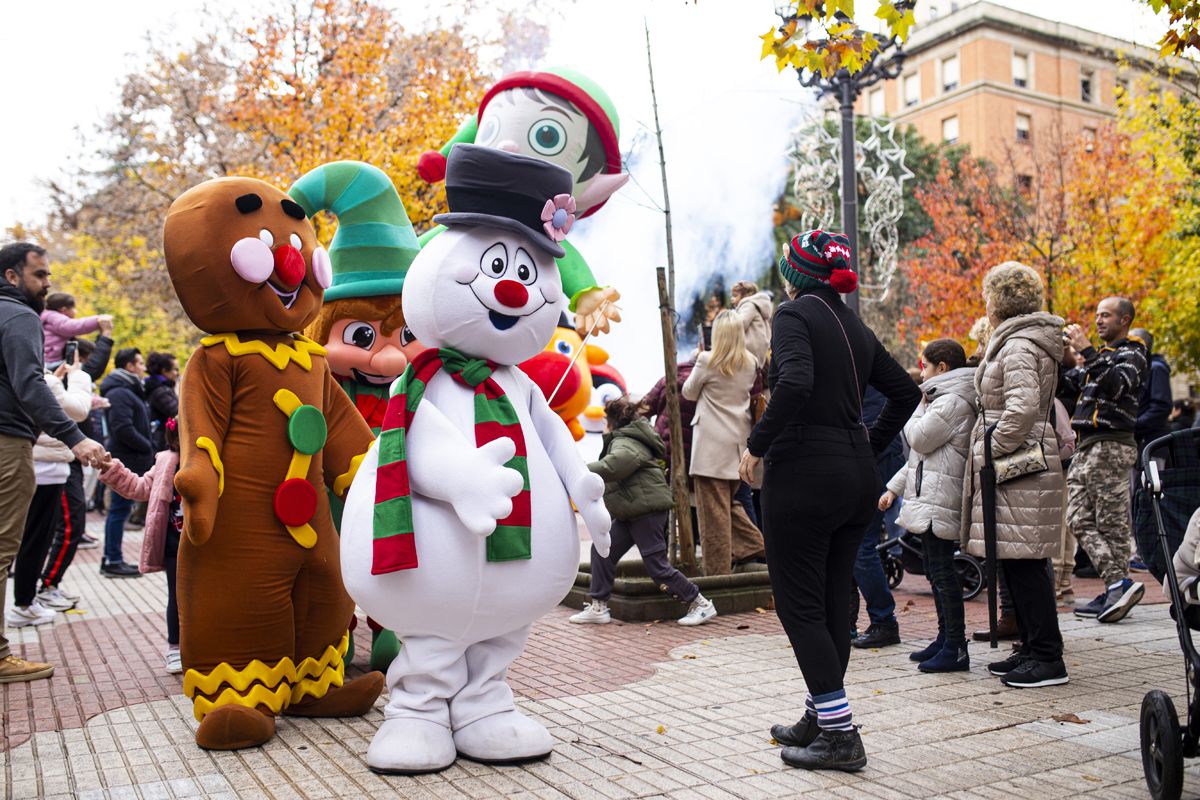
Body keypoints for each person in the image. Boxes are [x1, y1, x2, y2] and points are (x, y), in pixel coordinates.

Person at [739, 230, 919, 772]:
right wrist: (868, 442)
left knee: (801, 607)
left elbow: (794, 384)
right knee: (835, 599)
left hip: (805, 476)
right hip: (855, 476)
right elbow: (907, 392)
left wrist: (756, 447)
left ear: (795, 274)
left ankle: (840, 733)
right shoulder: (855, 325)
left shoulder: (794, 317)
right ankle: (822, 714)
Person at [0, 242, 108, 684]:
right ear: (12, 276)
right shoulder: (19, 315)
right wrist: (74, 438)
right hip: (8, 441)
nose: (47, 284)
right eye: (40, 275)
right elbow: (29, 383)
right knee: (3, 550)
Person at [962, 262, 1068, 689]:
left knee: (1026, 562)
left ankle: (1046, 657)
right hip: (1019, 462)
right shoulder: (1018, 342)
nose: (984, 302)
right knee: (1018, 559)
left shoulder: (1018, 345)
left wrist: (989, 448)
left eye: (988, 294)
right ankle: (1031, 646)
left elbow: (1021, 408)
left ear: (1000, 299)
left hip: (1018, 463)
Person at [570, 398, 716, 626]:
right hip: (633, 510)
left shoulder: (625, 441)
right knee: (602, 550)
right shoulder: (628, 438)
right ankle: (599, 606)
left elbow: (614, 466)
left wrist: (577, 471)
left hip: (646, 510)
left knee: (657, 566)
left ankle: (701, 603)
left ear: (612, 422)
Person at [881, 339, 977, 672]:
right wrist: (894, 489)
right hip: (931, 492)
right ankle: (944, 637)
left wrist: (916, 406)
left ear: (942, 368)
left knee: (943, 573)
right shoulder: (941, 399)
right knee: (936, 573)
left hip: (941, 497)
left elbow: (918, 438)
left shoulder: (951, 401)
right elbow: (919, 459)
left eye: (925, 366)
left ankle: (956, 645)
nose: (921, 373)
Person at [1062, 296, 1148, 622]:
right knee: (1077, 517)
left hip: (1111, 444)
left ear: (1124, 320)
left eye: (1106, 315)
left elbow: (1114, 387)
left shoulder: (1133, 353)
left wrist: (1086, 353)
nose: (1098, 321)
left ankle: (1117, 585)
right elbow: (1065, 387)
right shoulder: (1097, 358)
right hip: (1085, 446)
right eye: (1096, 314)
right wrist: (1062, 359)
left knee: (1111, 523)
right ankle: (1117, 583)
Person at [8, 352, 94, 623]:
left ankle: (27, 599)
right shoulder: (37, 377)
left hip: (47, 467)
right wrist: (78, 374)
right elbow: (78, 409)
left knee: (36, 539)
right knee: (35, 539)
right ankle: (24, 603)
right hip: (45, 468)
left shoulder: (34, 375)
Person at [683, 310, 766, 576]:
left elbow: (689, 392)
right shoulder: (751, 362)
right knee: (729, 506)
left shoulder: (707, 360)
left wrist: (696, 359)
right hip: (737, 445)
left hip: (709, 449)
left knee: (712, 517)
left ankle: (716, 577)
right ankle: (759, 546)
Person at [98, 417, 184, 672]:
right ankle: (175, 647)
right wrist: (112, 468)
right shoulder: (166, 461)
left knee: (209, 595)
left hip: (210, 543)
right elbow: (139, 487)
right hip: (174, 542)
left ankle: (207, 642)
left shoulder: (214, 459)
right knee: (177, 596)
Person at [39, 333, 113, 596]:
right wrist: (106, 335)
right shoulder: (48, 378)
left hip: (59, 460)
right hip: (51, 461)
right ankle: (41, 589)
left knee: (52, 529)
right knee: (65, 527)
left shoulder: (53, 377)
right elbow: (78, 409)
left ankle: (43, 589)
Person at [849, 386, 905, 649]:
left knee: (861, 545)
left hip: (872, 460)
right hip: (876, 457)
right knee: (854, 543)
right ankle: (851, 621)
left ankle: (883, 620)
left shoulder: (859, 368)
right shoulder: (866, 365)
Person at [99, 347, 153, 578]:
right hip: (125, 458)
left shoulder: (128, 390)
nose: (143, 368)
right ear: (130, 366)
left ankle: (114, 558)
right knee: (119, 511)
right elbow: (122, 427)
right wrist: (147, 446)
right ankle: (112, 559)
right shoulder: (120, 392)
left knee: (120, 511)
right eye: (140, 363)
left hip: (131, 457)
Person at [39, 291, 112, 367]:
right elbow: (74, 326)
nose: (75, 311)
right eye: (73, 308)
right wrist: (97, 320)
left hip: (49, 359)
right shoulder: (55, 318)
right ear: (63, 310)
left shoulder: (51, 318)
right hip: (50, 360)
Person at [731, 280, 773, 367]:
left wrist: (730, 320)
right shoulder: (756, 305)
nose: (732, 299)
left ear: (745, 295)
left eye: (735, 296)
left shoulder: (748, 305)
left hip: (750, 350)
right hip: (758, 349)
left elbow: (741, 324)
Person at [143, 352, 180, 451]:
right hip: (163, 442)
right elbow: (177, 411)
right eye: (175, 369)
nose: (177, 373)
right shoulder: (160, 391)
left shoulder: (159, 388)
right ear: (164, 371)